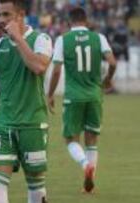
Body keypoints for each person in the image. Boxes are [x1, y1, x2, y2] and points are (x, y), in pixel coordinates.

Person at [0, 0, 53, 202]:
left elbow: (38, 67)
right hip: (4, 123)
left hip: (33, 124)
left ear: (21, 15)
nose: (1, 20)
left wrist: (18, 38)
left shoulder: (40, 39)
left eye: (6, 15)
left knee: (35, 183)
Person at [47, 7, 117, 193]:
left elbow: (56, 70)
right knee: (92, 141)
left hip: (73, 97)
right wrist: (108, 79)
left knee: (70, 140)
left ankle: (85, 164)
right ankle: (89, 185)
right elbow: (112, 62)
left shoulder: (63, 40)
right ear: (86, 21)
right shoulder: (99, 38)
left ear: (70, 22)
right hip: (94, 95)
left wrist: (50, 94)